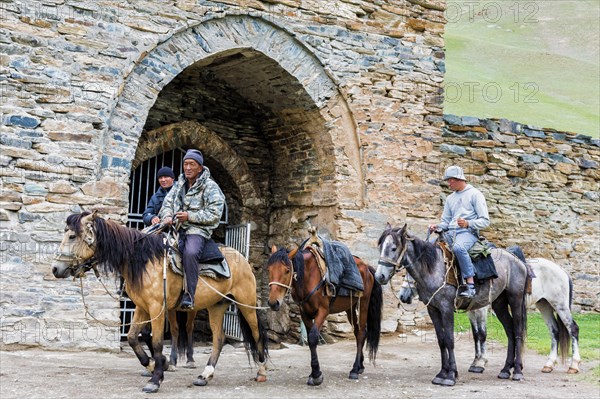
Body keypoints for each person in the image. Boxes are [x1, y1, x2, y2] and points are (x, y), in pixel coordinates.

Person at [159, 149, 225, 309]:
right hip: (175, 228)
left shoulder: (211, 187)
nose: (187, 168)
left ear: (200, 168)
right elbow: (167, 203)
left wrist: (189, 216)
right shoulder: (178, 184)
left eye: (192, 164)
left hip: (197, 230)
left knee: (191, 252)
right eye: (185, 164)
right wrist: (167, 216)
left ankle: (189, 294)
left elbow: (215, 214)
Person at [428, 165, 490, 298]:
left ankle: (470, 285)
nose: (448, 183)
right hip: (450, 234)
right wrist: (437, 227)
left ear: (458, 179)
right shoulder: (450, 198)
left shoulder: (475, 194)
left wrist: (468, 223)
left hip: (468, 233)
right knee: (427, 247)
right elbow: (445, 222)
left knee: (459, 248)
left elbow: (485, 221)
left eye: (450, 180)